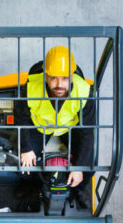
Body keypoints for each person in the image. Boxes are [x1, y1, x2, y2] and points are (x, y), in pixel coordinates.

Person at [13, 45, 96, 207]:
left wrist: (78, 167)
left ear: (72, 77)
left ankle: (78, 189)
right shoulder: (30, 88)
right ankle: (32, 186)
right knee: (21, 162)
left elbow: (87, 132)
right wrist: (25, 148)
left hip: (69, 128)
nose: (59, 84)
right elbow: (21, 117)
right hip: (40, 126)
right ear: (45, 76)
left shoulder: (85, 92)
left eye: (65, 78)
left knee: (89, 163)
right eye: (53, 78)